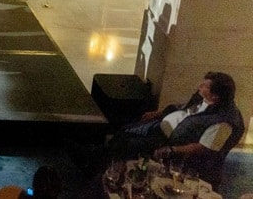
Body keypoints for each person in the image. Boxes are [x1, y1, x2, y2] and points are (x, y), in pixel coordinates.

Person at [103, 72, 245, 187]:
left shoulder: (223, 122)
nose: (200, 86)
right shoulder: (205, 98)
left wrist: (170, 150)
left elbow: (203, 147)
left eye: (205, 86)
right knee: (125, 131)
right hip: (162, 126)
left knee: (129, 144)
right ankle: (107, 163)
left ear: (215, 95)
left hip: (171, 141)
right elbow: (184, 108)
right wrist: (158, 113)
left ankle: (116, 175)